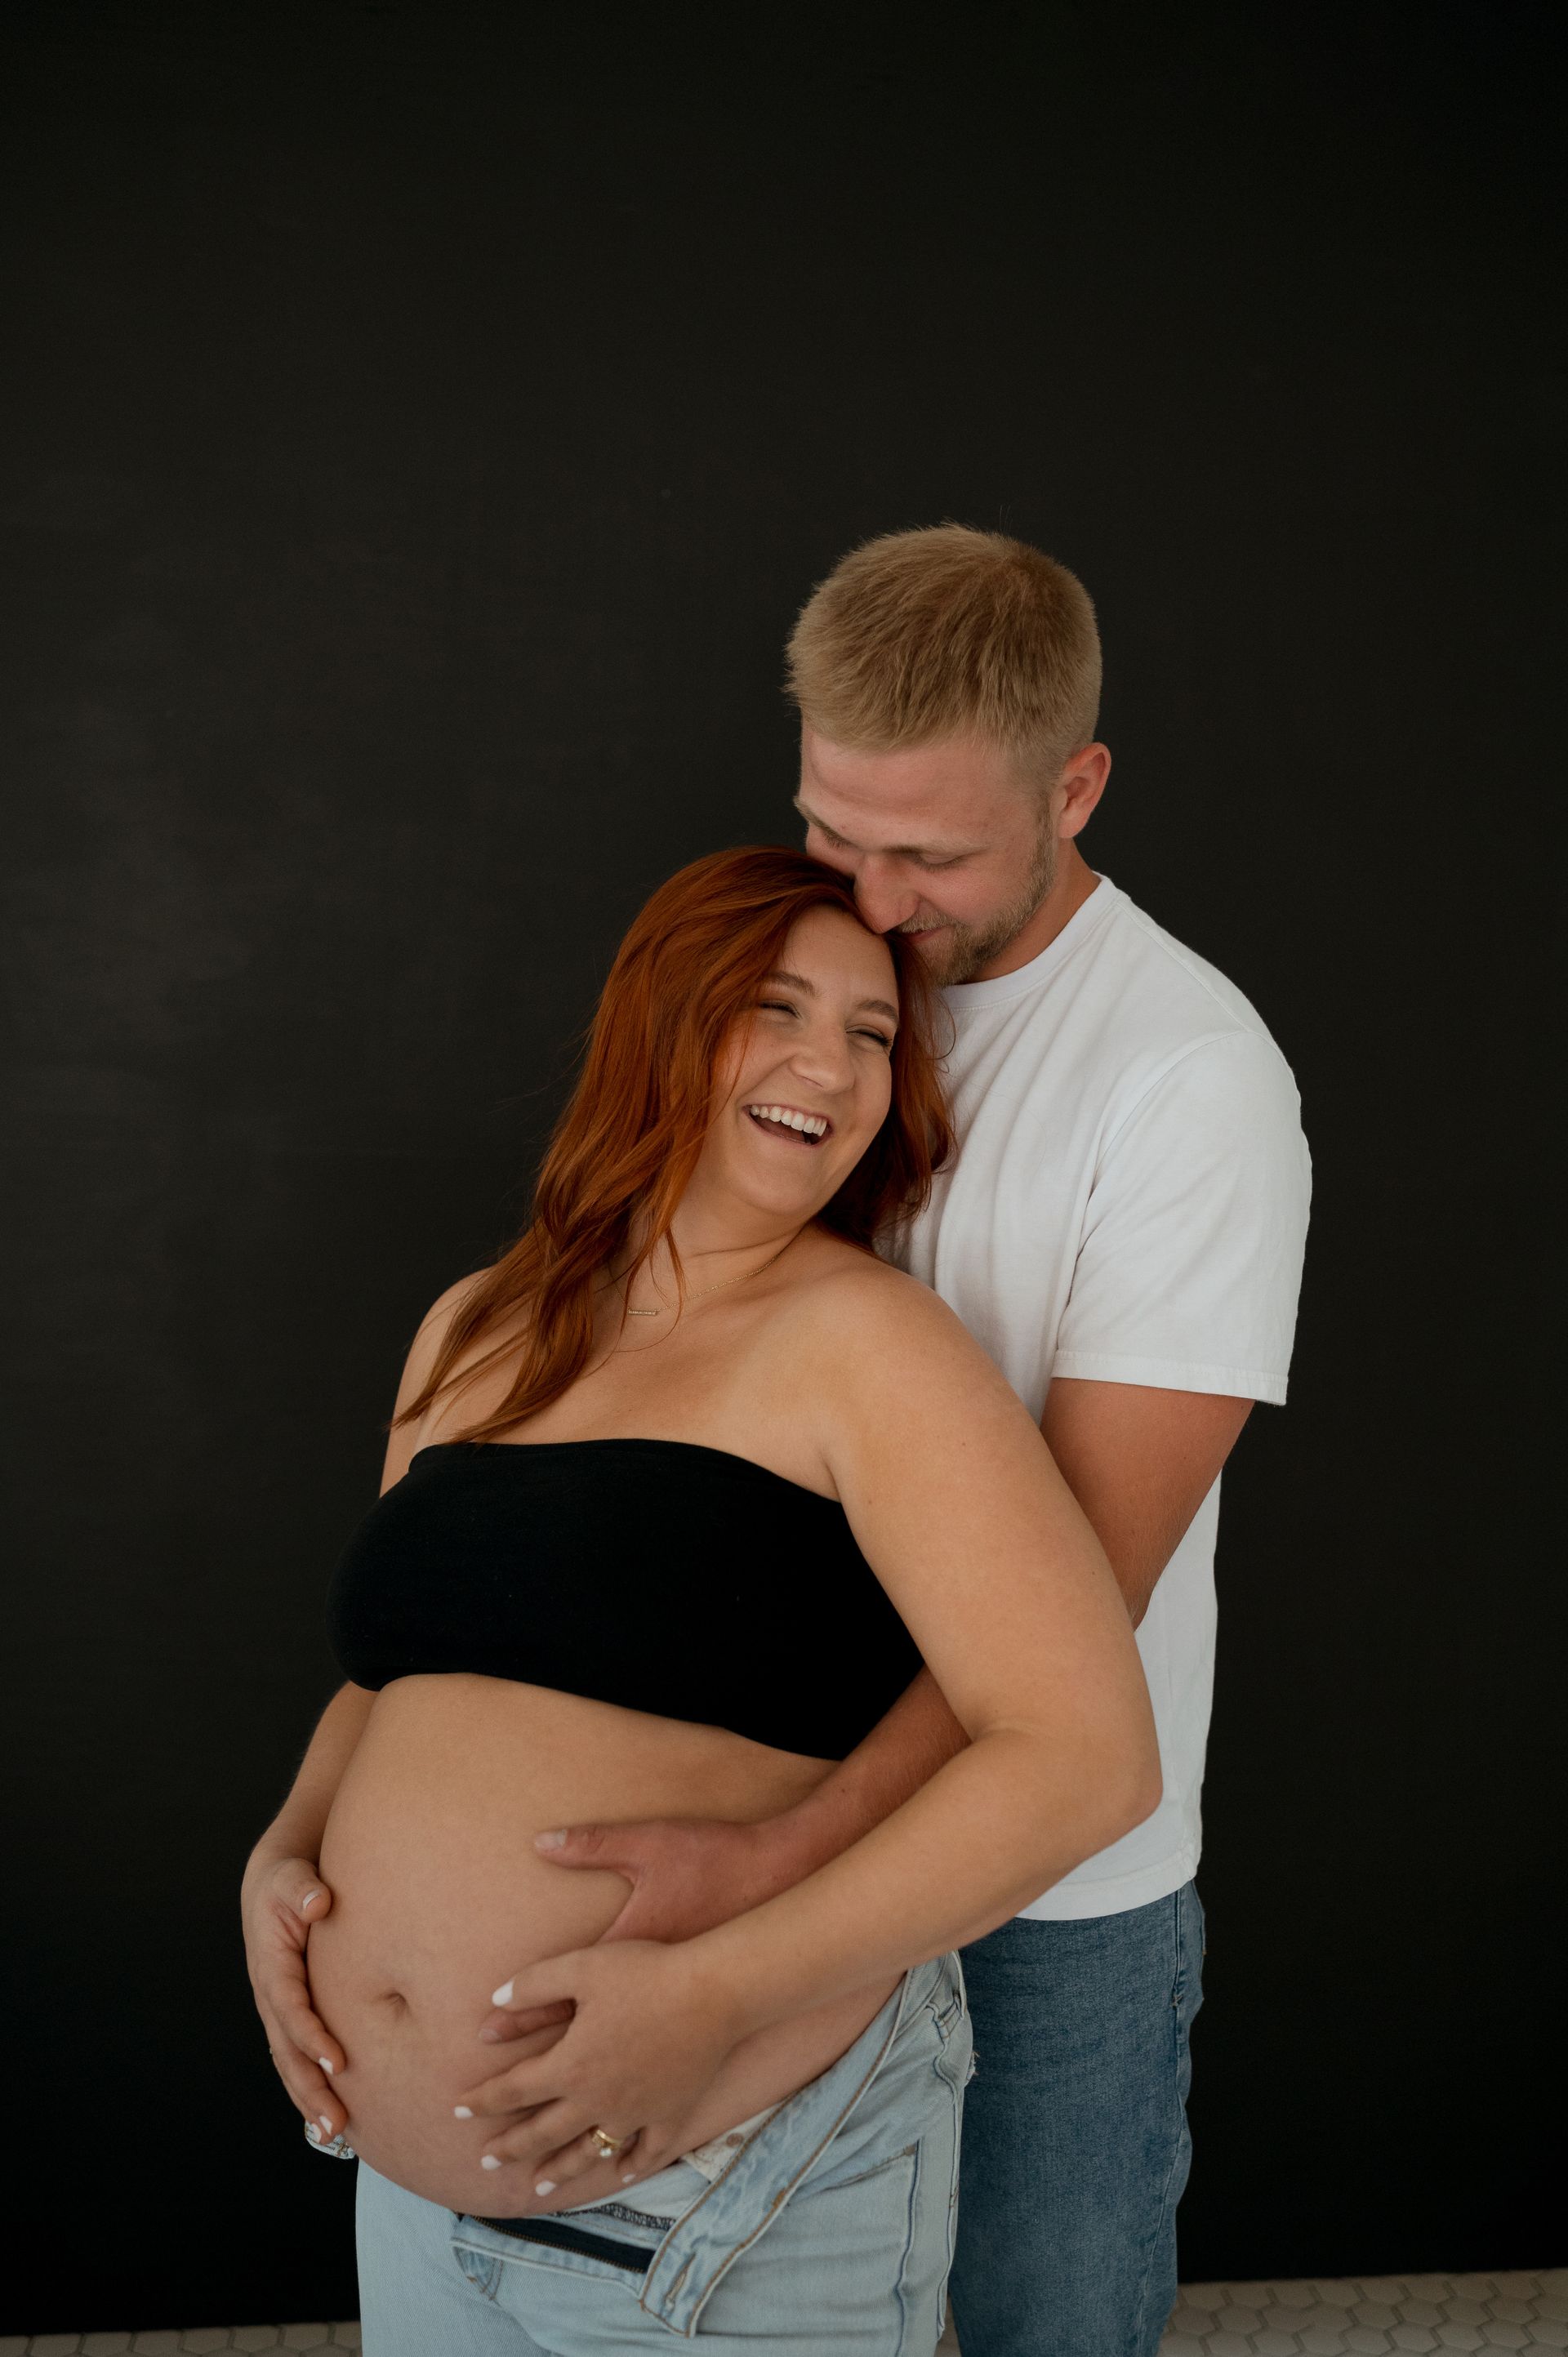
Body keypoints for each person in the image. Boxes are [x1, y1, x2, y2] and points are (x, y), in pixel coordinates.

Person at [494, 528, 1313, 2355]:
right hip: (750, 1824)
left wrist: (785, 1874)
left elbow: (1075, 1594)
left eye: (924, 855)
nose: (863, 900)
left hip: (1041, 1901)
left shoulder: (1187, 1084)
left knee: (1039, 2330)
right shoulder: (808, 979)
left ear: (1076, 785)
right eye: (831, 830)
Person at [243, 844, 1160, 2355]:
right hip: (411, 2201)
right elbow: (396, 1672)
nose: (833, 1064)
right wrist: (285, 1853)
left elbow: (1084, 1757)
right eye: (777, 1007)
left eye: (872, 1032)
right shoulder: (480, 1323)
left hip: (715, 2197)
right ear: (662, 1020)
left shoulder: (869, 1345)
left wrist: (722, 1993)